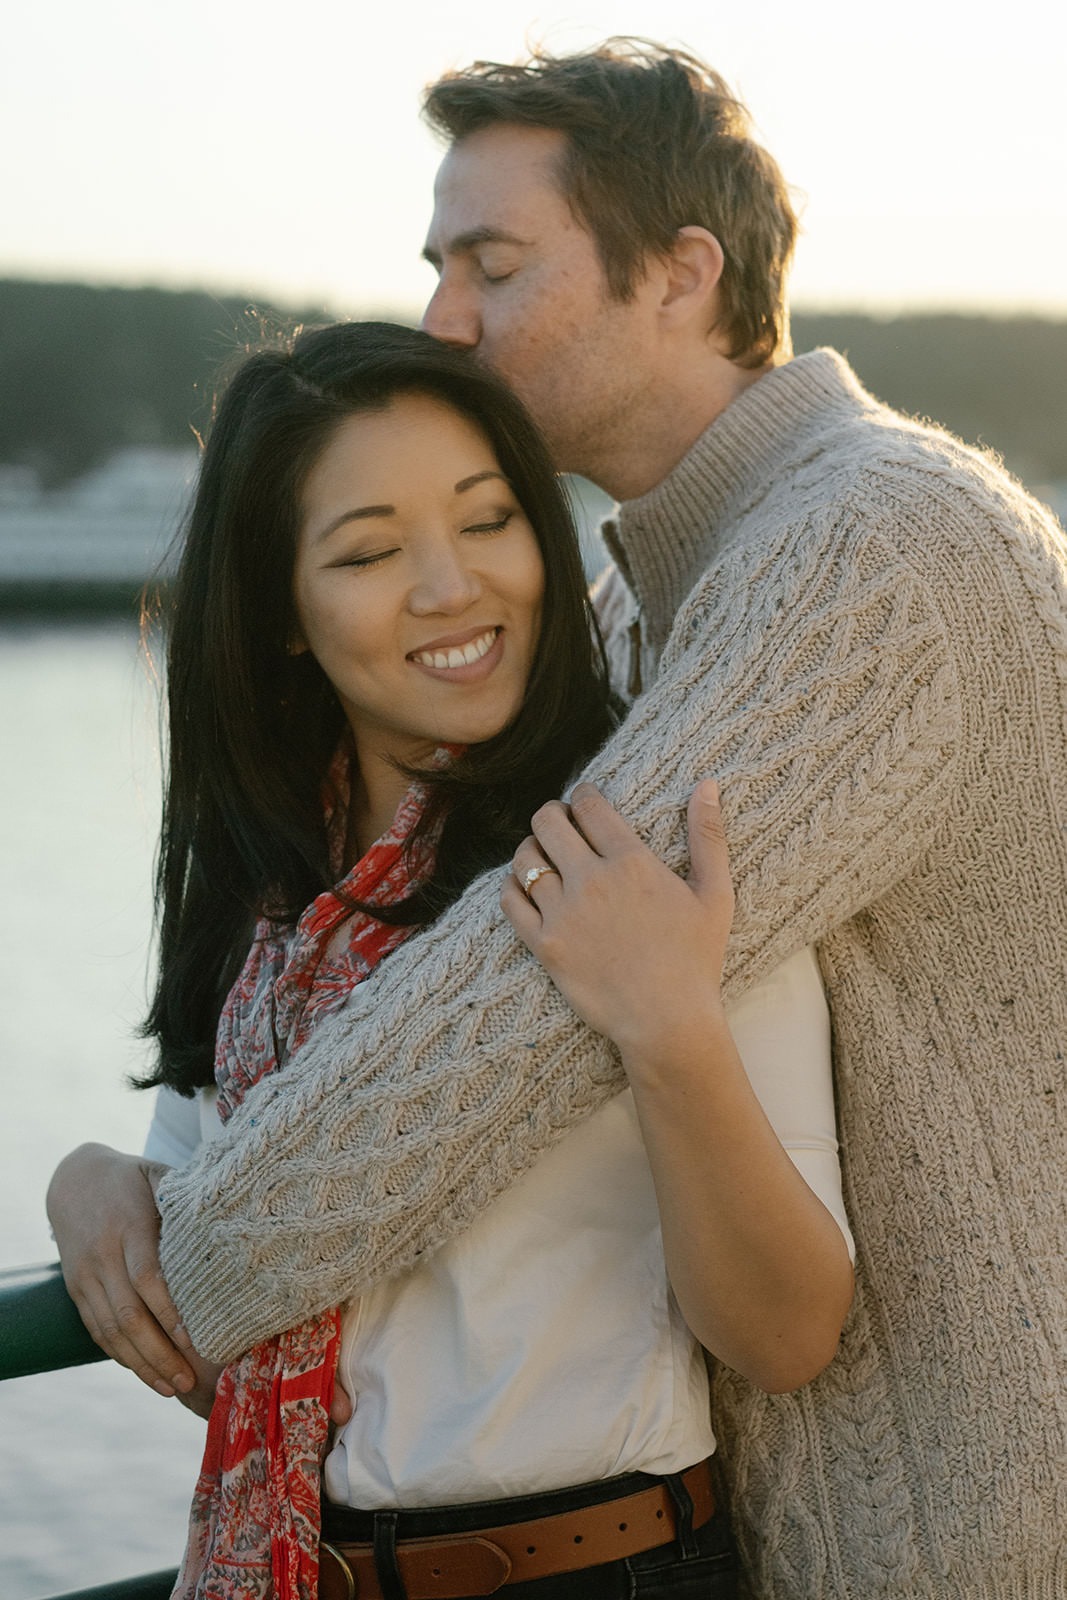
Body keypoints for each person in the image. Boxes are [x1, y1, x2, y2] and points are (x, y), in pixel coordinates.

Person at [52, 39, 1066, 1598]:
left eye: (494, 264)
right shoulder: (653, 592)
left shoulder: (869, 547)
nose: (443, 316)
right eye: (436, 266)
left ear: (678, 273)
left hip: (968, 1528)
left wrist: (169, 1259)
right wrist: (100, 1176)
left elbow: (506, 1008)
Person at [49, 315, 855, 1600]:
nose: (451, 586)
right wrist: (88, 1182)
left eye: (488, 521)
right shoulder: (273, 907)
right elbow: (208, 1235)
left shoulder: (632, 842)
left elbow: (787, 1331)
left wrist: (668, 1030)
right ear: (282, 615)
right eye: (369, 550)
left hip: (600, 1569)